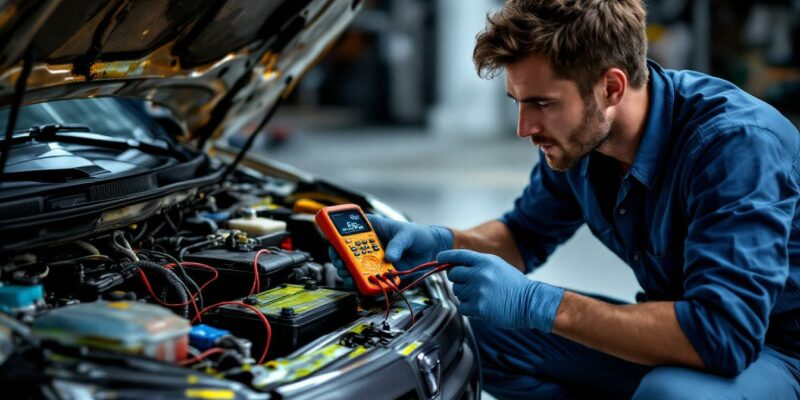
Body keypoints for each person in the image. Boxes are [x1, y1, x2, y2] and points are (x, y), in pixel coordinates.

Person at [333, 0, 800, 398]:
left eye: (542, 104)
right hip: (689, 336)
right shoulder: (583, 143)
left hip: (774, 349)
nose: (524, 128)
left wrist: (539, 304)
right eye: (517, 102)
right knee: (462, 332)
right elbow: (523, 236)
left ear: (611, 87)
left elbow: (722, 335)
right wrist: (438, 243)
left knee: (672, 393)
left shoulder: (733, 145)